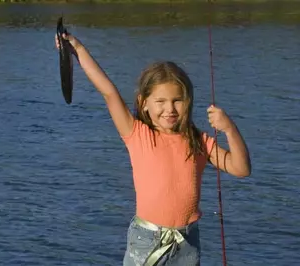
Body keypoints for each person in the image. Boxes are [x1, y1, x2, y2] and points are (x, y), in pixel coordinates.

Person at [54, 32, 251, 266]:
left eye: (177, 100)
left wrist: (230, 129)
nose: (170, 109)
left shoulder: (199, 141)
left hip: (187, 242)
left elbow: (241, 169)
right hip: (147, 240)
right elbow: (108, 91)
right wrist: (77, 48)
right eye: (161, 101)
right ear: (144, 103)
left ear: (188, 100)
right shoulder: (137, 134)